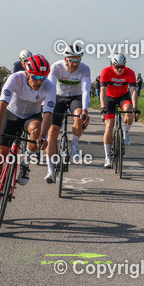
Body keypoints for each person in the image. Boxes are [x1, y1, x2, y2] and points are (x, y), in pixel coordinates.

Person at [0, 55, 55, 214]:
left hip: (31, 117)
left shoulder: (49, 87)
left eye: (43, 78)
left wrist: (43, 137)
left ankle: (25, 164)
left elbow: (48, 114)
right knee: (0, 154)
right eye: (36, 77)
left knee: (37, 130)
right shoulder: (15, 78)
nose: (39, 82)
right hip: (11, 115)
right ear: (27, 73)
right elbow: (2, 104)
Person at [43, 42, 92, 182]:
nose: (75, 64)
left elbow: (85, 90)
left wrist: (85, 110)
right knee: (52, 133)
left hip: (75, 97)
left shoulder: (84, 69)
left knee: (79, 119)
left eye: (78, 60)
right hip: (58, 96)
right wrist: (46, 104)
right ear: (65, 59)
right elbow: (50, 87)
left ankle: (74, 145)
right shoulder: (56, 67)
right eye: (72, 60)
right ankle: (50, 170)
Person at [98, 53, 140, 169]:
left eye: (122, 66)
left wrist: (135, 107)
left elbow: (133, 91)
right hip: (109, 98)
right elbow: (102, 90)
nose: (120, 69)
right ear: (112, 65)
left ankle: (126, 132)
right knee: (109, 126)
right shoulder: (106, 72)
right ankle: (107, 157)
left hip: (123, 97)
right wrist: (103, 107)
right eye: (117, 67)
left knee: (129, 111)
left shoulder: (130, 72)